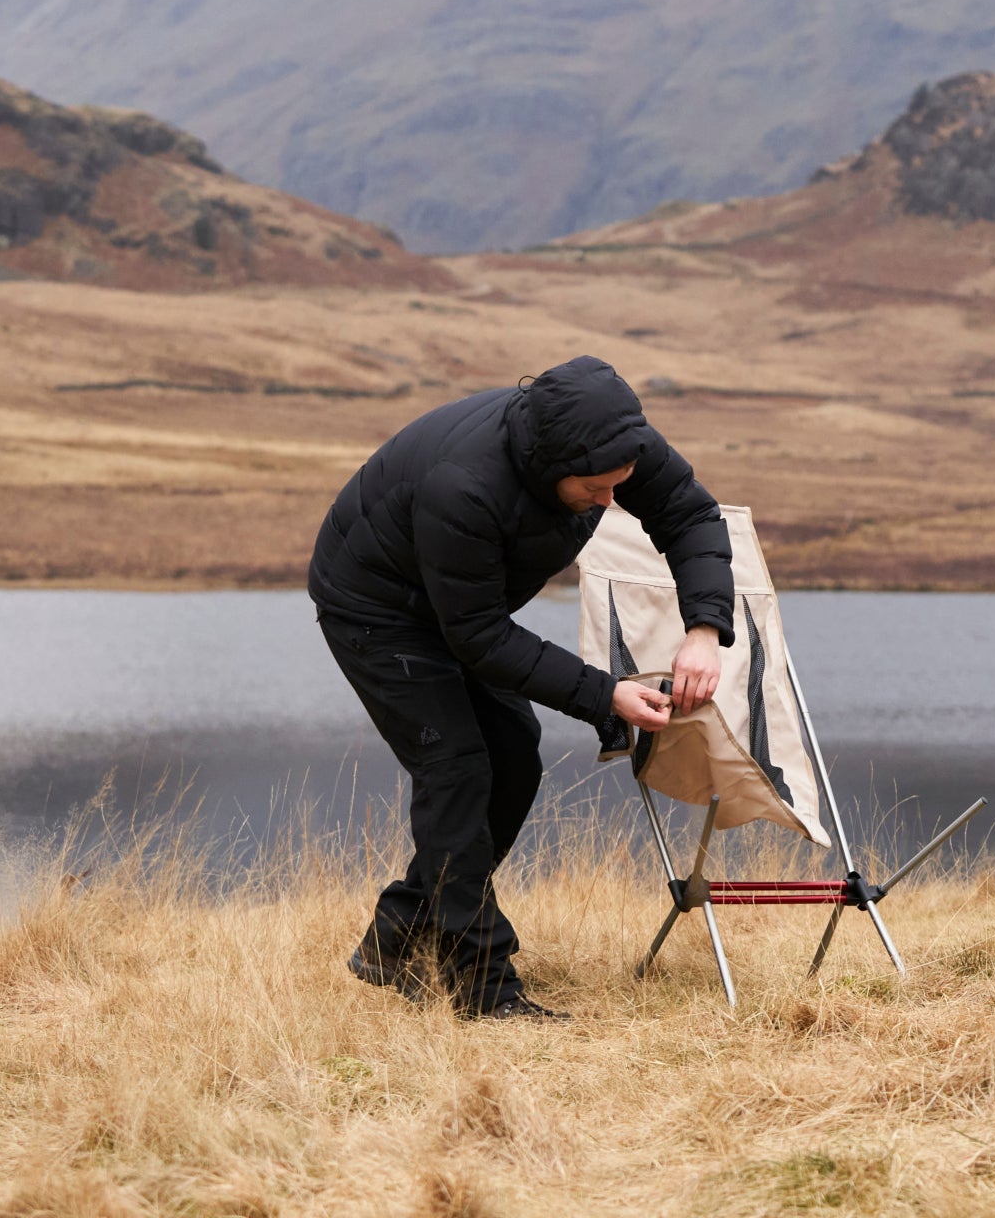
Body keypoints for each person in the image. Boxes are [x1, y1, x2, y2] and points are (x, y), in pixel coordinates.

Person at [308, 355, 733, 1018]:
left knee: (513, 755)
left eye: (619, 484)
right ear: (550, 467)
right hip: (376, 607)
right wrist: (604, 695)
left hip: (459, 604)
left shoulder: (612, 440)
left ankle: (398, 938)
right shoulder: (467, 485)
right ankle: (484, 991)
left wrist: (704, 627)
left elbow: (690, 515)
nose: (611, 501)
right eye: (594, 490)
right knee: (457, 768)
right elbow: (476, 636)